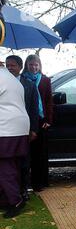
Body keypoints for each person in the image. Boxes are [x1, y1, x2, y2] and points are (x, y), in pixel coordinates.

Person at [0, 0, 31, 218]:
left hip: (7, 129)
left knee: (5, 168)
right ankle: (10, 198)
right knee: (8, 166)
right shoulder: (10, 78)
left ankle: (15, 200)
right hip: (17, 128)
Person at [6, 55, 39, 201]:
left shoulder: (29, 85)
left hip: (24, 129)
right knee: (8, 163)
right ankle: (8, 192)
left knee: (24, 162)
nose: (9, 68)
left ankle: (23, 190)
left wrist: (33, 129)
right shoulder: (2, 83)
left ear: (20, 67)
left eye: (12, 65)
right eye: (7, 65)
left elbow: (33, 109)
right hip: (6, 130)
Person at [22, 54, 53, 192]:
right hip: (25, 118)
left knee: (39, 154)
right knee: (26, 153)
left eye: (36, 65)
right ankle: (24, 183)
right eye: (31, 65)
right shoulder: (21, 80)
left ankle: (39, 183)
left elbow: (48, 101)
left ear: (40, 66)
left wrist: (48, 119)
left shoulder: (45, 80)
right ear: (26, 66)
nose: (34, 67)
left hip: (41, 120)